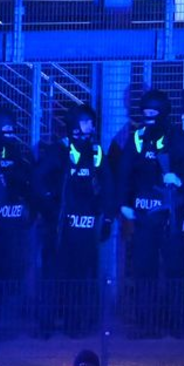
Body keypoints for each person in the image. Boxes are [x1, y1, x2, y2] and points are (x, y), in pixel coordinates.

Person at [117, 88, 184, 335]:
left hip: (172, 219)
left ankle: (177, 324)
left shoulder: (179, 139)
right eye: (145, 112)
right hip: (144, 218)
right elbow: (124, 173)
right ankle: (146, 324)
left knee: (175, 271)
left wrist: (179, 178)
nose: (149, 116)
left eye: (153, 112)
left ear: (163, 113)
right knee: (144, 270)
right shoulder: (136, 138)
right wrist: (123, 203)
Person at [35, 104, 116, 335]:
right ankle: (46, 325)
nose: (91, 125)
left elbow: (108, 187)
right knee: (53, 275)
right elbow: (39, 180)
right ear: (75, 125)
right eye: (86, 121)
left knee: (83, 277)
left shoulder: (97, 153)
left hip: (86, 227)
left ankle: (77, 324)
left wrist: (108, 218)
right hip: (60, 229)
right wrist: (50, 205)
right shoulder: (57, 151)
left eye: (92, 122)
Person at [0, 106, 36, 317]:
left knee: (16, 266)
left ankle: (13, 310)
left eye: (11, 128)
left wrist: (30, 208)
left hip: (15, 221)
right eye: (5, 129)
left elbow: (28, 180)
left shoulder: (19, 153)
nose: (10, 132)